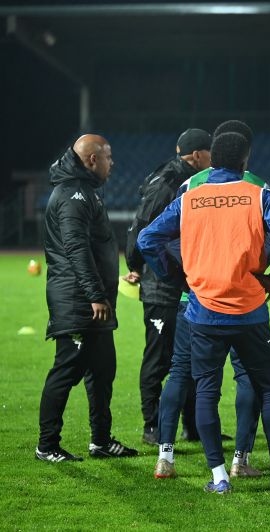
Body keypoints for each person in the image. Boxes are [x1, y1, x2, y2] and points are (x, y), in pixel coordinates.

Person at [138, 131, 270, 493]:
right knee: (266, 387)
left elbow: (146, 238)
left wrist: (176, 277)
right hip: (251, 310)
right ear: (245, 161)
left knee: (203, 389)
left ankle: (217, 477)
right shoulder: (259, 193)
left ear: (210, 159)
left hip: (203, 310)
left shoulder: (189, 195)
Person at [148, 120, 270, 480]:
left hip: (196, 296)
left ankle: (165, 457)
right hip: (243, 302)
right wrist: (259, 274)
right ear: (246, 154)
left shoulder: (190, 186)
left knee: (181, 372)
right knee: (247, 376)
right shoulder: (258, 188)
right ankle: (240, 460)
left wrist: (184, 274)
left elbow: (168, 235)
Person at [37, 134, 138, 462]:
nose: (113, 163)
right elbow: (76, 247)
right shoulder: (73, 194)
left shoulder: (84, 190)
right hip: (78, 301)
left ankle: (101, 441)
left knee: (103, 370)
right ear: (92, 159)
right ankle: (47, 445)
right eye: (108, 157)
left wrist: (109, 282)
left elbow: (92, 248)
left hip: (93, 300)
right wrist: (95, 294)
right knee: (66, 370)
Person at [124, 128, 212, 445]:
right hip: (161, 284)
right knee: (159, 357)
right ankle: (152, 426)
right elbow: (142, 224)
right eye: (210, 153)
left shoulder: (183, 178)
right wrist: (135, 264)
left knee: (190, 356)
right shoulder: (170, 181)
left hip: (183, 283)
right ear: (198, 155)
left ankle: (193, 425)